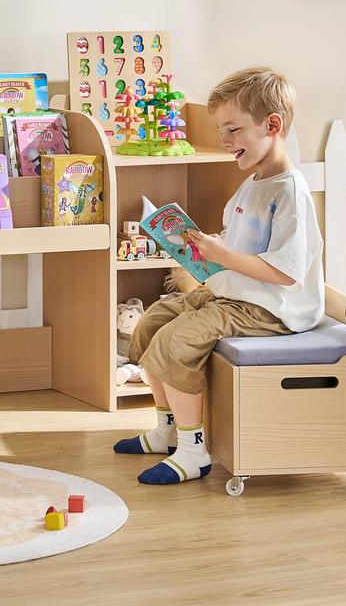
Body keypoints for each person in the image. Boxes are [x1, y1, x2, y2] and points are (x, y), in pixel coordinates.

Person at [114, 67, 324, 485]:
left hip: (271, 309)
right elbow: (238, 241)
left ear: (272, 126)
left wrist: (223, 254)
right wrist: (205, 245)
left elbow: (286, 273)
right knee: (152, 322)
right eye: (221, 131)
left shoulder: (289, 192)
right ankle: (167, 429)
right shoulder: (253, 182)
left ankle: (194, 452)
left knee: (176, 341)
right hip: (236, 294)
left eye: (233, 130)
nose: (225, 141)